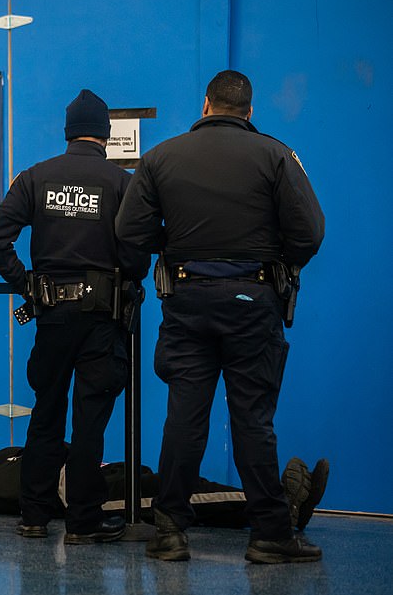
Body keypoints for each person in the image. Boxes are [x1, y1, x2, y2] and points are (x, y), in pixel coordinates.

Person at [115, 70, 326, 564]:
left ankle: (168, 530)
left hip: (186, 301)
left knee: (185, 417)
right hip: (253, 301)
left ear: (206, 105)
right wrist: (275, 258)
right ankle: (271, 534)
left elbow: (130, 230)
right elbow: (310, 233)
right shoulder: (275, 155)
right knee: (252, 418)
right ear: (249, 111)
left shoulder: (162, 156)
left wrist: (171, 245)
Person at [0, 89, 150, 545]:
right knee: (89, 420)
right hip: (102, 318)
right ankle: (82, 522)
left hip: (51, 316)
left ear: (68, 131)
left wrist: (27, 283)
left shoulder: (37, 177)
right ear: (106, 134)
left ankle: (33, 516)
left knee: (46, 414)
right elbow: (137, 253)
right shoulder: (121, 182)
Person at [0, 447, 330, 532]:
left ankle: (283, 508)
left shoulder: (15, 453)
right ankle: (278, 503)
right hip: (79, 492)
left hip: (101, 471)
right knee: (181, 496)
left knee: (186, 492)